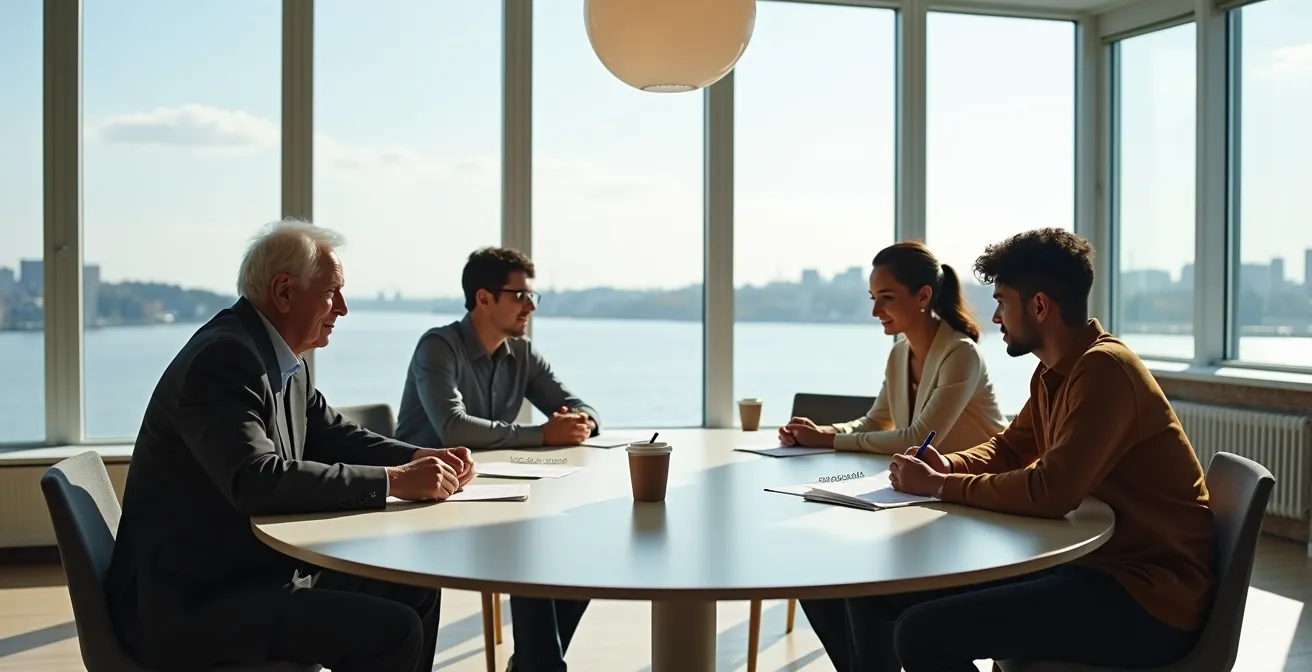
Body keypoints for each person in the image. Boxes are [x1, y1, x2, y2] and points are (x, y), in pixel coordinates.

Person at [804, 228, 1214, 672]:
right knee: (869, 591)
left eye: (1002, 301)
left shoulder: (1105, 371)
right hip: (1089, 566)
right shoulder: (1056, 371)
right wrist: (945, 464)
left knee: (922, 633)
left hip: (1143, 597)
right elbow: (1007, 449)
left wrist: (941, 485)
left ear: (1039, 306)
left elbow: (1050, 491)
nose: (995, 317)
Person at [104, 221, 477, 672]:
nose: (342, 308)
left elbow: (334, 433)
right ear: (284, 292)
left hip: (243, 572)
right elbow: (254, 479)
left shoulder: (279, 358)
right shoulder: (224, 358)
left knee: (414, 585)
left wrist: (418, 458)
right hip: (192, 603)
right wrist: (395, 482)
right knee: (392, 631)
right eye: (332, 292)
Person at [394, 246, 597, 672]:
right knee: (527, 547)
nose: (530, 307)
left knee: (579, 553)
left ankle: (535, 665)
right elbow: (454, 428)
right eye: (520, 296)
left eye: (532, 297)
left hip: (491, 496)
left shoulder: (521, 352)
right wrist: (543, 433)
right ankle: (537, 667)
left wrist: (582, 421)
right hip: (425, 504)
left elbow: (576, 403)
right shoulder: (438, 347)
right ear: (484, 298)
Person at [779, 241, 1007, 454]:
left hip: (987, 482)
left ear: (923, 296)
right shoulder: (899, 353)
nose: (875, 311)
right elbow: (877, 422)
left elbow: (919, 441)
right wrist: (822, 431)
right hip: (936, 482)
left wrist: (826, 440)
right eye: (873, 298)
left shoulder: (961, 353)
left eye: (887, 297)